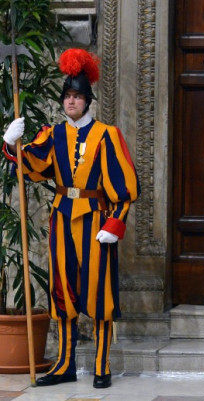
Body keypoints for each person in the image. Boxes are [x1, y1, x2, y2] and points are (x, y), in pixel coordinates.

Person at [2, 48, 139, 389]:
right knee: (62, 293)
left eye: (77, 96)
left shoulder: (107, 135)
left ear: (87, 101)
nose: (71, 102)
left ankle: (101, 365)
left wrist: (114, 225)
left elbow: (125, 188)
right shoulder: (53, 134)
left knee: (99, 293)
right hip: (62, 218)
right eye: (67, 96)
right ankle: (64, 365)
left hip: (96, 221)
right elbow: (34, 167)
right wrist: (12, 143)